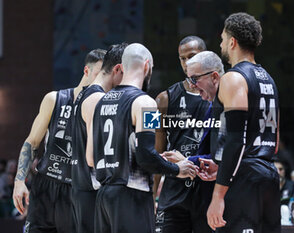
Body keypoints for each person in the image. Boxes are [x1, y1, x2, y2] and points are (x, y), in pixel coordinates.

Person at [186, 12, 281, 233]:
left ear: (232, 42)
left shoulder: (233, 78)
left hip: (245, 181)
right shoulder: (268, 78)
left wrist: (218, 195)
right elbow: (273, 140)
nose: (220, 45)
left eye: (222, 40)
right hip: (268, 176)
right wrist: (222, 166)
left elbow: (236, 141)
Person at [92, 43, 197, 233]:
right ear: (146, 66)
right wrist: (176, 169)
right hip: (132, 194)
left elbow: (91, 155)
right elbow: (147, 156)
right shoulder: (147, 103)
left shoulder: (102, 101)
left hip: (103, 196)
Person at [12, 48, 105, 232]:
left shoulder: (101, 107)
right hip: (45, 184)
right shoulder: (55, 98)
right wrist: (19, 181)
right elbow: (32, 141)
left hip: (77, 189)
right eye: (98, 74)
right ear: (86, 71)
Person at [154, 36, 214, 233]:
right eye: (182, 58)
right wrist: (153, 196)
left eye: (192, 56)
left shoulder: (222, 97)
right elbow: (156, 151)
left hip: (207, 193)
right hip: (174, 194)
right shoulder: (162, 99)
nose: (187, 62)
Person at [71, 44, 127, 233]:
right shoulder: (98, 99)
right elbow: (92, 158)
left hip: (83, 188)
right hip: (91, 190)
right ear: (117, 69)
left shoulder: (85, 94)